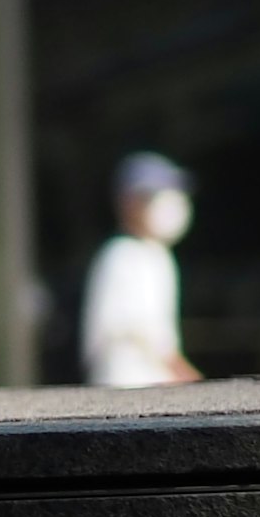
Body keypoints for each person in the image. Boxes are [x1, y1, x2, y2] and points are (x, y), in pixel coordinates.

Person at [81, 151, 200, 387]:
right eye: (156, 196)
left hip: (153, 391)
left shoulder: (155, 255)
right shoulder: (121, 255)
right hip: (127, 391)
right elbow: (142, 336)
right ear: (129, 202)